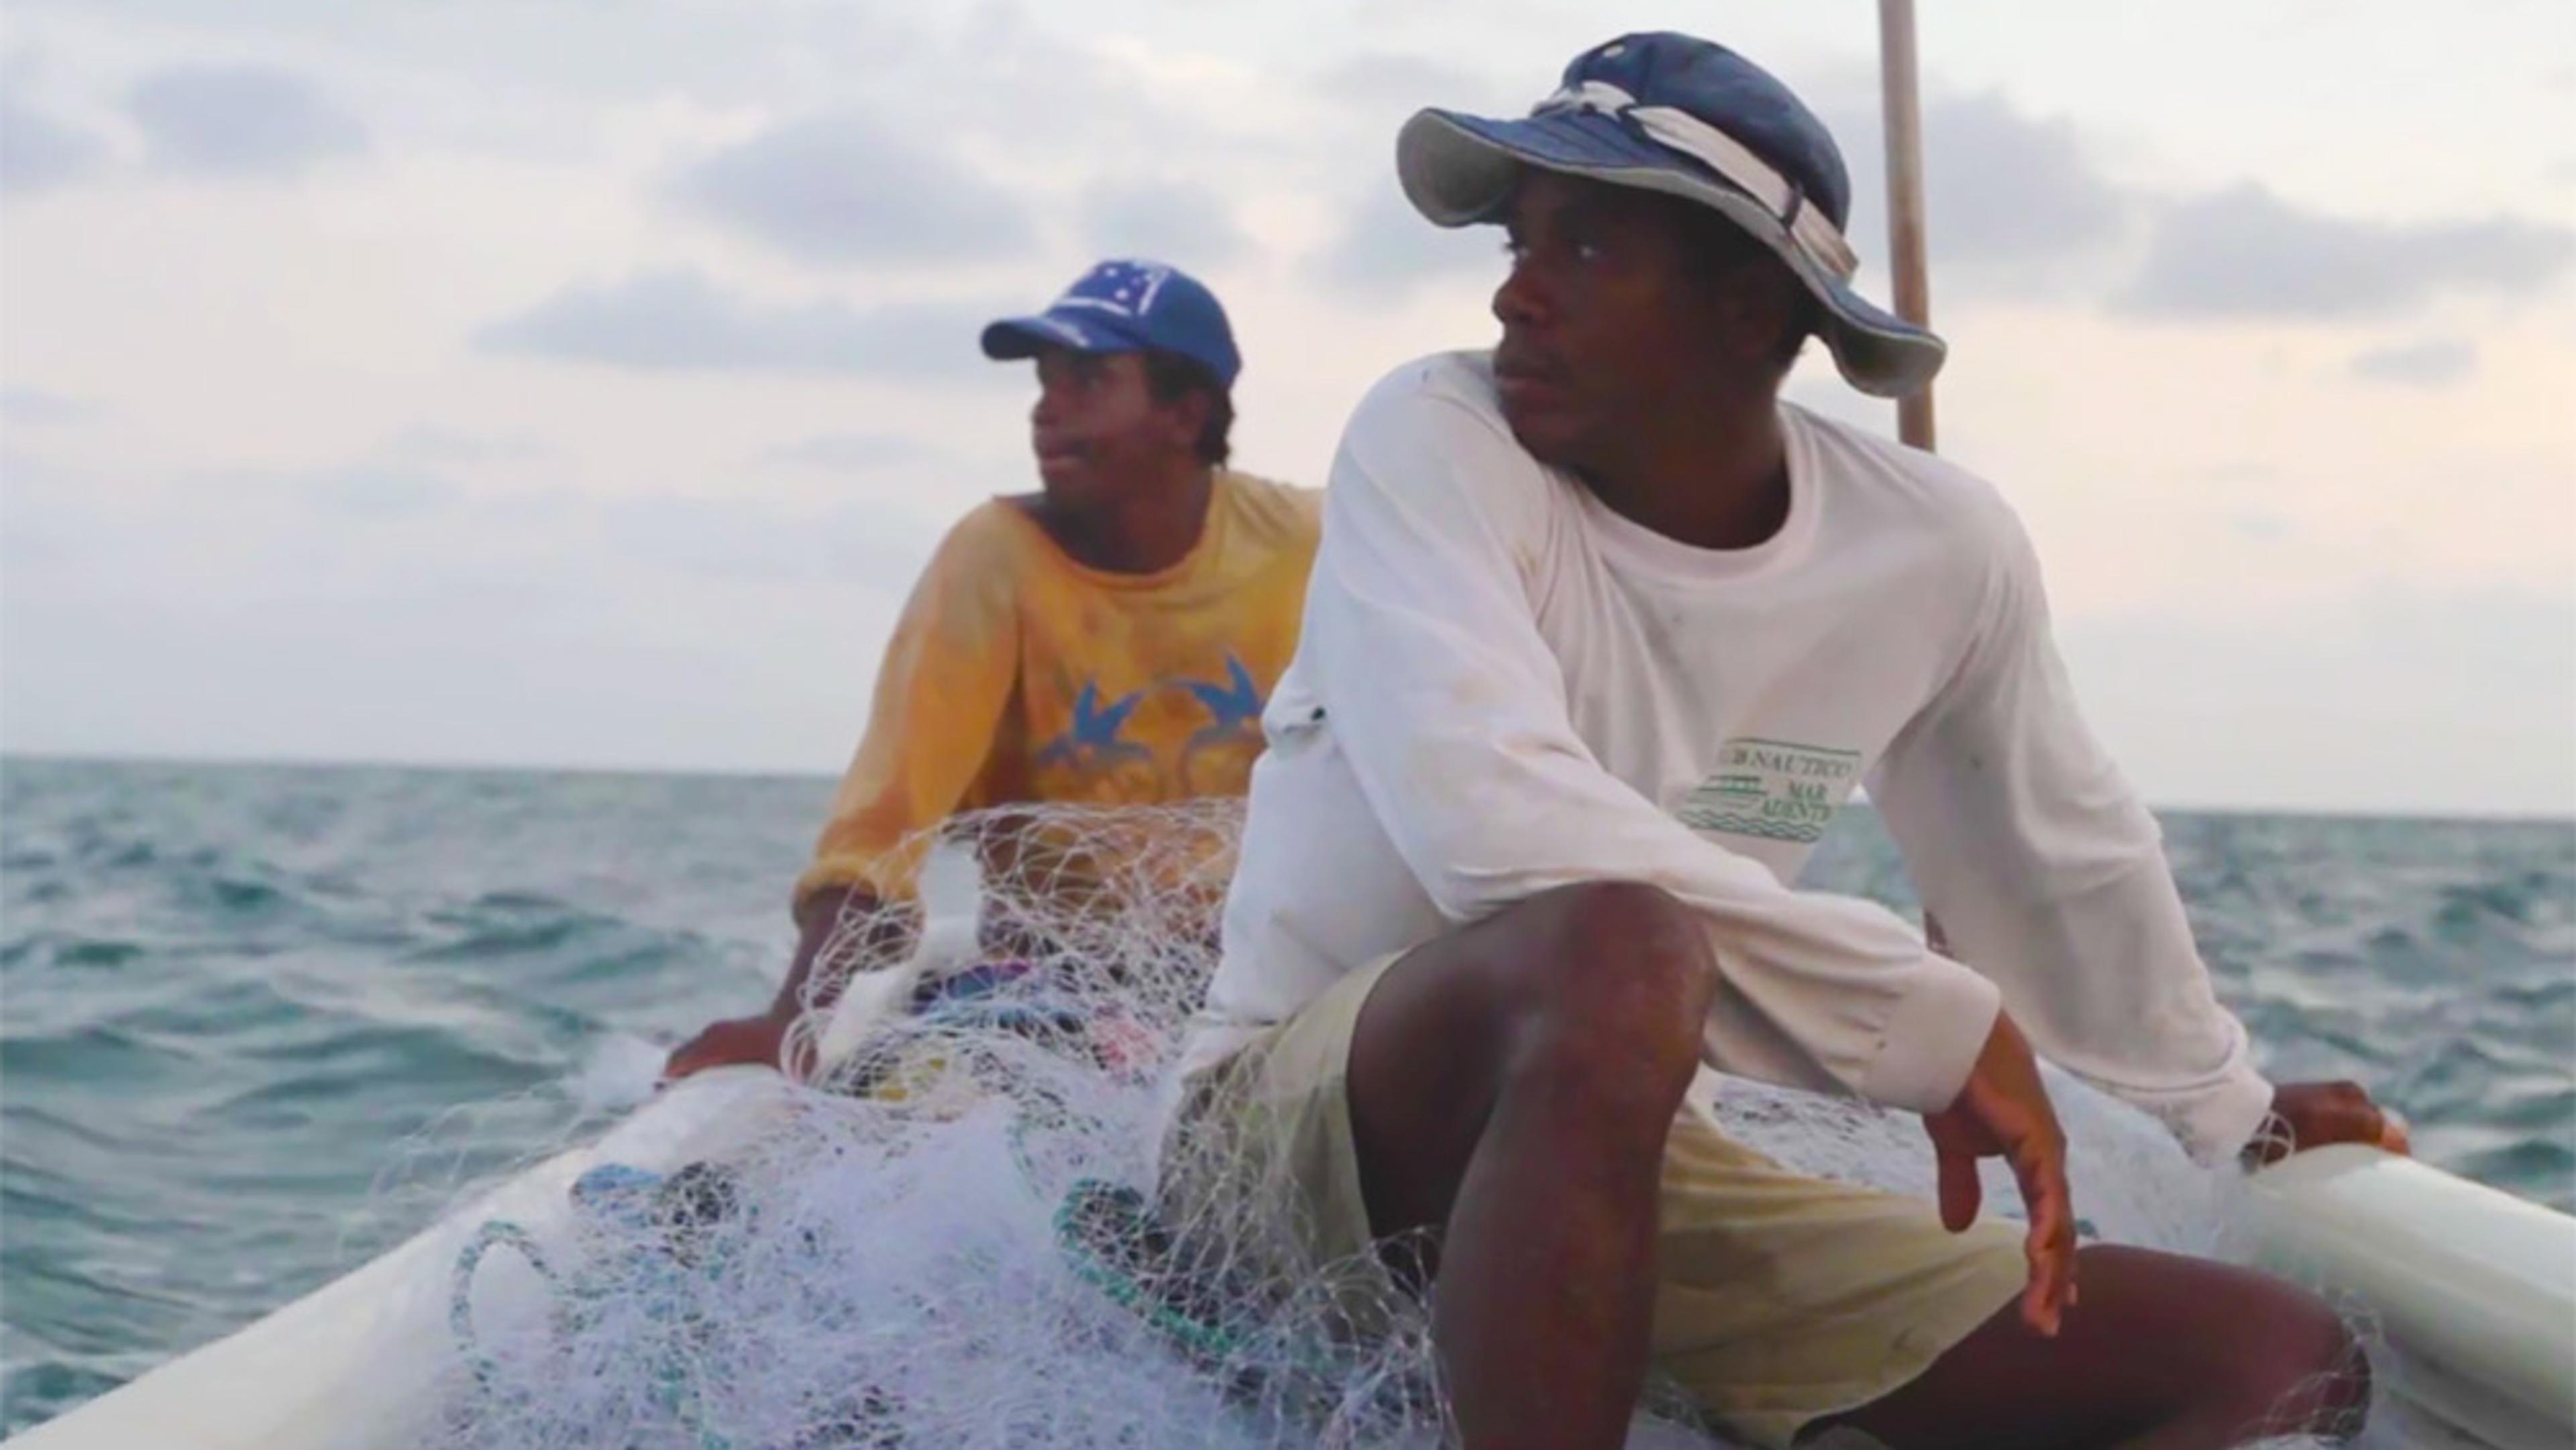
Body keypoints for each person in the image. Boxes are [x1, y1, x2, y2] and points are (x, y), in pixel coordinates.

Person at [1168, 34, 2404, 1450]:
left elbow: (2055, 863)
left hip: (1622, 1168)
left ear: (1754, 309)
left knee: (2271, 1361)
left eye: (1583, 245)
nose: (1514, 291)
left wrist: (2226, 1119)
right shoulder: (1432, 437)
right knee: (1613, 949)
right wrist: (1931, 1025)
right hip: (1285, 1148)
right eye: (1518, 241)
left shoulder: (1936, 545)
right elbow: (1493, 828)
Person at [669, 260, 1320, 1080]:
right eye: (1045, 383)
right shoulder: (994, 560)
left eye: (1088, 380)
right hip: (1056, 986)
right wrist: (793, 1018)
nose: (1047, 410)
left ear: (1185, 413)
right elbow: (887, 824)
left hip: (1269, 973)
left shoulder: (1308, 544)